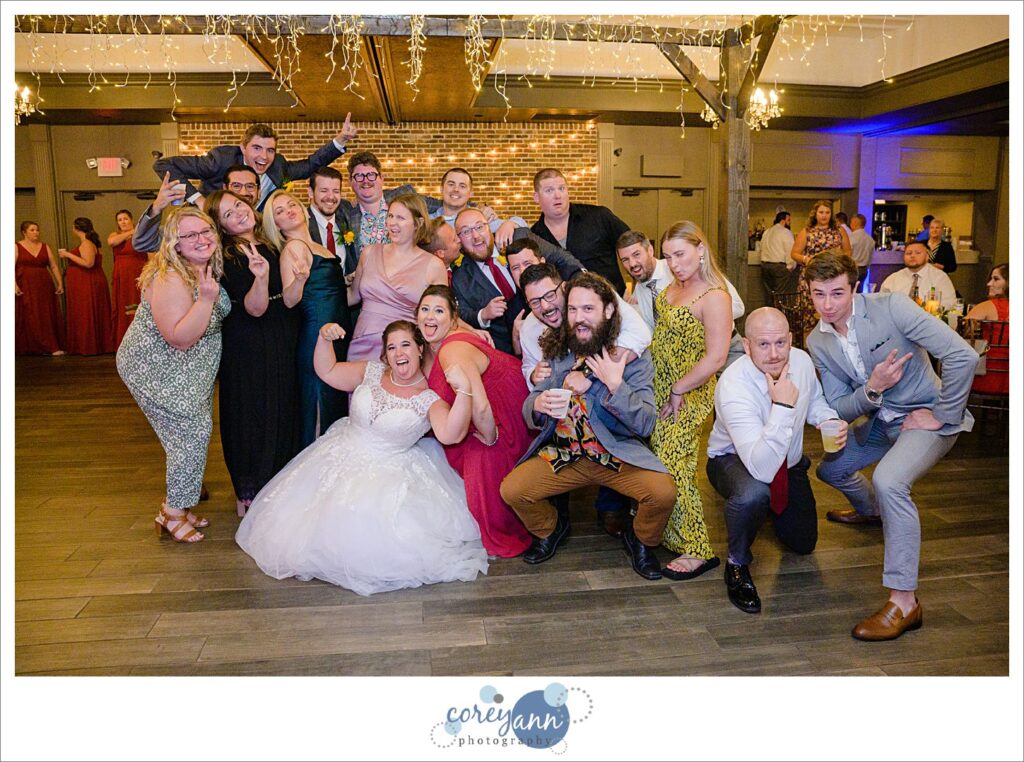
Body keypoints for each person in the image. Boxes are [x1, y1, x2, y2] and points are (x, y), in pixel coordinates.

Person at [235, 320, 489, 595]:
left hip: (389, 472)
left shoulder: (428, 397)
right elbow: (328, 371)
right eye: (391, 347)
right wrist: (324, 338)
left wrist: (464, 392)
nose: (398, 352)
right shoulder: (372, 372)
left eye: (405, 345)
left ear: (419, 349)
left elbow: (450, 434)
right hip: (338, 453)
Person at [804, 251, 978, 641]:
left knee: (889, 480)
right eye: (819, 295)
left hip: (926, 419)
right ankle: (873, 513)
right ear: (809, 293)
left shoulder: (893, 307)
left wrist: (942, 416)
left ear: (854, 287)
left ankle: (904, 602)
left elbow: (962, 355)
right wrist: (873, 388)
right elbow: (840, 407)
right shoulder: (817, 340)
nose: (828, 305)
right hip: (883, 420)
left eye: (837, 293)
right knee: (830, 468)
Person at [499, 272, 677, 579]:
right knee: (513, 490)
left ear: (608, 310)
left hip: (615, 454)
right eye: (573, 309)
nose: (578, 318)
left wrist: (611, 385)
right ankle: (552, 529)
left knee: (662, 494)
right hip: (564, 455)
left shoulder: (630, 357)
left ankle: (642, 541)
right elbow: (534, 401)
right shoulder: (558, 350)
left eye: (588, 309)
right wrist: (536, 405)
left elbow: (646, 423)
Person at [706, 307, 847, 613]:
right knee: (753, 494)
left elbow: (816, 403)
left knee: (803, 543)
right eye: (763, 344)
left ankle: (769, 509)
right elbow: (761, 467)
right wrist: (782, 405)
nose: (773, 354)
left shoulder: (802, 361)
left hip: (789, 464)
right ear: (746, 346)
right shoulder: (733, 386)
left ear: (791, 339)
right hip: (734, 461)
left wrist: (827, 419)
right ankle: (737, 563)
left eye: (780, 343)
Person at [116, 206, 230, 543]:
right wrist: (207, 300)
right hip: (156, 367)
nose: (201, 239)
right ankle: (172, 513)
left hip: (187, 370)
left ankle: (180, 503)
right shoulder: (170, 276)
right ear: (175, 244)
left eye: (205, 231)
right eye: (190, 235)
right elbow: (179, 338)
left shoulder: (204, 267)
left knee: (189, 435)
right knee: (190, 435)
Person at [517, 258, 643, 537]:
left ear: (563, 288)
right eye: (535, 302)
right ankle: (557, 523)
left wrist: (593, 376)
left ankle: (613, 511)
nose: (546, 306)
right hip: (565, 423)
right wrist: (534, 380)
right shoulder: (530, 330)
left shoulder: (596, 299)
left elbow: (640, 336)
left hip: (608, 409)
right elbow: (531, 371)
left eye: (550, 295)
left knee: (614, 434)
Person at [418, 285, 534, 558]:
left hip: (500, 418)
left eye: (438, 311)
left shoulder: (451, 352)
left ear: (453, 317)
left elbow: (480, 406)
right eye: (424, 310)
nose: (430, 317)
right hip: (513, 400)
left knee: (481, 466)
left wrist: (492, 438)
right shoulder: (453, 337)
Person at [208, 189, 302, 516]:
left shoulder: (269, 242)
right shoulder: (230, 255)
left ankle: (278, 485)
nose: (239, 213)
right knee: (251, 412)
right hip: (249, 339)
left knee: (281, 407)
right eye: (228, 214)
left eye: (238, 205)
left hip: (280, 332)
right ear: (221, 226)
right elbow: (255, 308)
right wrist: (260, 278)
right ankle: (250, 491)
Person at [651, 221, 733, 580]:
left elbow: (716, 358)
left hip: (691, 392)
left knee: (676, 461)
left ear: (701, 250)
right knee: (660, 460)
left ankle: (698, 548)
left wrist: (680, 388)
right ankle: (672, 534)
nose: (674, 263)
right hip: (660, 388)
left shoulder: (715, 296)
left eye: (680, 254)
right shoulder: (670, 289)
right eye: (668, 256)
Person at [264, 189, 351, 446]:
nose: (288, 210)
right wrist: (300, 279)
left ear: (302, 209)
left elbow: (338, 295)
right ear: (276, 224)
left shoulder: (316, 246)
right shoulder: (293, 248)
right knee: (319, 407)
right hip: (318, 337)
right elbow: (290, 300)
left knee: (333, 405)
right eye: (279, 211)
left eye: (291, 204)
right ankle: (313, 476)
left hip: (336, 333)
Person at [153, 117, 358, 211]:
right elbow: (164, 165)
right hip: (213, 227)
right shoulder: (220, 160)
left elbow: (311, 164)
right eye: (257, 148)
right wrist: (198, 200)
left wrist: (340, 140)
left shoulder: (278, 166)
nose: (264, 157)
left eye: (270, 150)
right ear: (243, 148)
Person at [616, 230, 745, 368]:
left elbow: (738, 306)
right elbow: (653, 332)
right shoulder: (638, 293)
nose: (632, 263)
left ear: (650, 250)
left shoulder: (681, 267)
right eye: (625, 260)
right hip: (687, 361)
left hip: (727, 351)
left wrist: (694, 318)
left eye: (637, 255)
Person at [348, 193, 449, 361]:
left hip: (403, 349)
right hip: (362, 344)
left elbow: (444, 313)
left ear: (418, 223)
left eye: (401, 218)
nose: (392, 223)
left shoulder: (434, 265)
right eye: (390, 216)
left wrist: (472, 330)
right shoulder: (369, 253)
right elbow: (352, 296)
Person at [530, 168, 631, 294]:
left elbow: (632, 246)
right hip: (566, 310)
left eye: (561, 188)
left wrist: (639, 288)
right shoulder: (534, 237)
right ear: (536, 197)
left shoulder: (599, 216)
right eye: (549, 190)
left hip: (611, 304)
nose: (557, 195)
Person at [339, 151, 442, 265]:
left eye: (371, 175)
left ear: (382, 178)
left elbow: (441, 206)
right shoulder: (345, 211)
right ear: (350, 181)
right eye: (359, 176)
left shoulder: (403, 195)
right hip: (366, 279)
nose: (366, 181)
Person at [59, 217, 114, 355]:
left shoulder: (87, 243)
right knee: (87, 312)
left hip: (88, 283)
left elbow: (88, 263)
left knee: (86, 313)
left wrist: (67, 255)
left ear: (76, 228)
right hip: (88, 281)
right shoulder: (90, 242)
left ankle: (89, 346)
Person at [14, 220, 66, 356]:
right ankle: (34, 346)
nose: (36, 232)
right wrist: (14, 285)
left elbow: (53, 265)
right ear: (24, 232)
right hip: (26, 284)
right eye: (32, 230)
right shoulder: (16, 246)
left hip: (44, 285)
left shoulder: (44, 246)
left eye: (37, 230)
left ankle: (50, 345)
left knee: (46, 313)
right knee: (31, 313)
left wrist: (59, 282)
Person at [108, 209, 149, 348]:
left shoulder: (141, 234)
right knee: (122, 304)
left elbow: (150, 255)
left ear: (131, 219)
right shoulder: (115, 234)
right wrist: (132, 231)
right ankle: (123, 339)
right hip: (121, 277)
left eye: (125, 218)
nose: (123, 222)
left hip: (137, 273)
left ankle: (139, 339)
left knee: (137, 302)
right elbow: (112, 242)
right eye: (119, 220)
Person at [966, 263, 1009, 396]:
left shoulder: (988, 306)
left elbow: (962, 332)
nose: (989, 284)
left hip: (989, 374)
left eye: (996, 279)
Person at [306, 166, 357, 277]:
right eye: (324, 191)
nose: (331, 197)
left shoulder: (345, 219)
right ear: (310, 192)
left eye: (336, 191)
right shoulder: (301, 224)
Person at [880, 241, 957, 310]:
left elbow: (950, 304)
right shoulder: (893, 279)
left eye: (917, 253)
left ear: (927, 257)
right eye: (909, 253)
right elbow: (881, 303)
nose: (912, 256)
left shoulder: (940, 277)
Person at [790, 200, 851, 268]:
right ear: (815, 214)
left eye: (827, 212)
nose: (824, 215)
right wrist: (806, 259)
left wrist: (841, 262)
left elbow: (848, 251)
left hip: (835, 270)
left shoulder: (839, 230)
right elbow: (794, 254)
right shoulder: (807, 231)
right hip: (813, 270)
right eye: (821, 212)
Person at [757, 211, 795, 306]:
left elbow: (761, 248)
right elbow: (790, 249)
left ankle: (769, 315)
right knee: (780, 296)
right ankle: (779, 316)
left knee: (769, 295)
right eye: (788, 220)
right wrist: (791, 266)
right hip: (779, 267)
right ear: (783, 221)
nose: (790, 222)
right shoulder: (786, 232)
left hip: (765, 266)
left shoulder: (767, 232)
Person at [848, 213, 876, 288]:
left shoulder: (851, 238)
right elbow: (871, 257)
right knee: (860, 292)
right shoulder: (870, 239)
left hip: (852, 269)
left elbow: (847, 254)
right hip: (864, 270)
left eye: (851, 222)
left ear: (854, 223)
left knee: (850, 291)